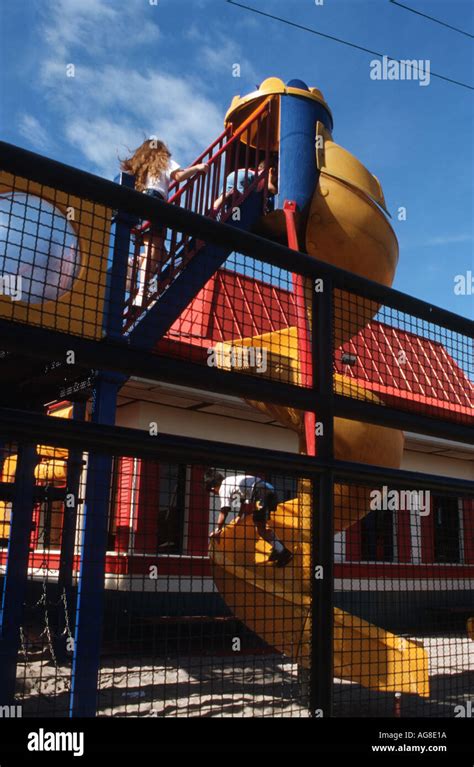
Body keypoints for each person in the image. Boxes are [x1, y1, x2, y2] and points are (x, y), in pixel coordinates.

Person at [121, 138, 209, 288]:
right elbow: (179, 176)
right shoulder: (164, 162)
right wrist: (197, 168)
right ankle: (143, 289)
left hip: (141, 203)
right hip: (155, 201)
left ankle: (135, 261)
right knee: (154, 249)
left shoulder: (144, 168)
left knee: (162, 254)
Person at [205, 469, 293, 567]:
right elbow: (242, 500)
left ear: (213, 488)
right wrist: (239, 516)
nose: (216, 494)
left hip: (260, 493)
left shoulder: (223, 488)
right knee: (262, 527)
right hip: (269, 490)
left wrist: (218, 529)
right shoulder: (231, 481)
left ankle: (283, 552)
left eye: (214, 493)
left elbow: (224, 510)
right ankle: (278, 548)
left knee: (260, 530)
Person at [212, 157, 278, 215]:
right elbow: (270, 187)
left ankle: (214, 209)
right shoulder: (260, 176)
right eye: (276, 177)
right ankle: (216, 208)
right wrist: (278, 193)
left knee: (227, 193)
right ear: (271, 170)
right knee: (240, 198)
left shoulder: (254, 173)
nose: (276, 180)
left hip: (237, 175)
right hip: (245, 177)